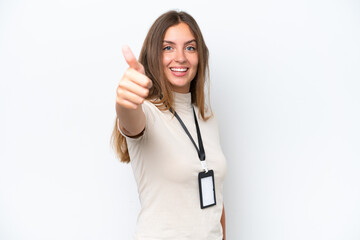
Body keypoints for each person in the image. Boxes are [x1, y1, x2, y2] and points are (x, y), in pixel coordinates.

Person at [111, 10, 227, 240]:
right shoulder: (147, 112)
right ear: (154, 54)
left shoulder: (207, 118)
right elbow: (130, 119)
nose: (181, 57)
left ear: (200, 56)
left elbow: (216, 201)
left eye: (190, 47)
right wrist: (125, 100)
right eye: (168, 47)